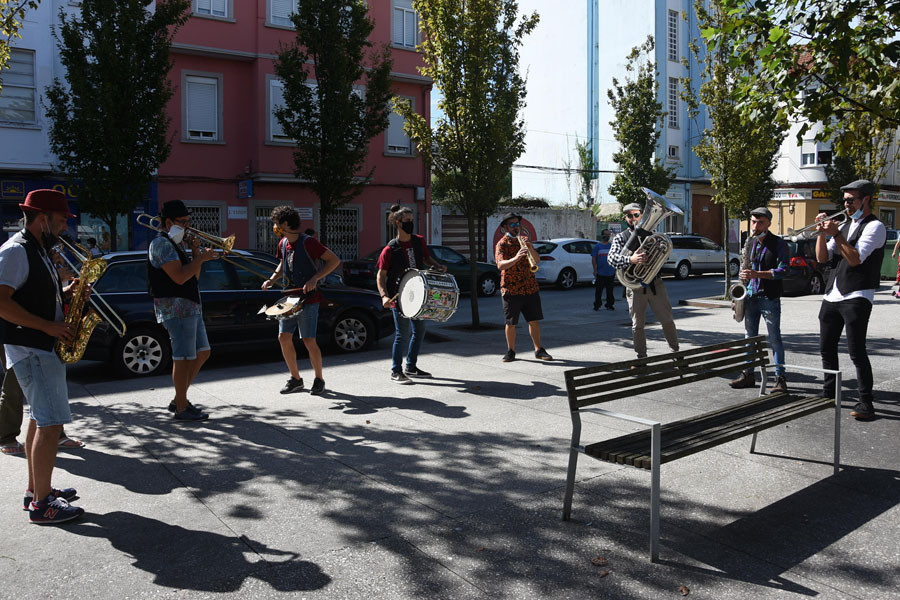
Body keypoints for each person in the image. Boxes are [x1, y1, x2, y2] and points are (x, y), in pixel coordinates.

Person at [0, 189, 83, 523]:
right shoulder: (16, 252)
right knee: (51, 425)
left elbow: (30, 295)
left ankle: (36, 492)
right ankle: (43, 504)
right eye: (61, 220)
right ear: (43, 218)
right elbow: (2, 302)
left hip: (38, 348)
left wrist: (68, 292)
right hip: (32, 348)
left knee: (38, 419)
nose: (65, 227)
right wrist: (48, 327)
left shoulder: (38, 251)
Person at [815, 179, 886, 420]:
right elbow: (823, 258)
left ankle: (866, 402)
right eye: (844, 200)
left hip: (857, 294)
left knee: (856, 351)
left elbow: (856, 259)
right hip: (833, 293)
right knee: (826, 347)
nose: (846, 204)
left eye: (851, 200)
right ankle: (828, 392)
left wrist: (836, 233)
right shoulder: (844, 225)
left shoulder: (875, 227)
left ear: (866, 199)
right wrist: (822, 234)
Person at [148, 200, 218, 421]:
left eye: (189, 221)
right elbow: (179, 277)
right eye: (183, 222)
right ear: (169, 222)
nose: (188, 226)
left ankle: (180, 398)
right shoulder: (162, 244)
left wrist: (197, 252)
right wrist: (201, 258)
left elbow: (193, 277)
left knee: (202, 352)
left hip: (190, 306)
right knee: (183, 358)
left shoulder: (176, 243)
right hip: (176, 309)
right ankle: (181, 407)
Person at [262, 206, 340, 395]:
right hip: (289, 298)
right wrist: (272, 279)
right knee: (283, 337)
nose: (275, 227)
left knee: (308, 340)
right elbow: (282, 263)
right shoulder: (283, 243)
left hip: (308, 299)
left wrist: (314, 279)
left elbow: (334, 260)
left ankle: (319, 379)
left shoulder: (309, 242)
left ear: (286, 224)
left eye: (277, 223)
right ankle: (296, 379)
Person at [375, 205, 447, 383]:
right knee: (402, 334)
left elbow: (425, 258)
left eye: (412, 220)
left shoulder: (418, 241)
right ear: (398, 223)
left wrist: (437, 266)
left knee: (420, 331)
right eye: (407, 221)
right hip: (399, 297)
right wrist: (384, 295)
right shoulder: (390, 249)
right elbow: (380, 275)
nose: (411, 224)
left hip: (418, 294)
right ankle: (396, 370)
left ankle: (411, 366)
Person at [728, 207, 790, 393]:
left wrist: (758, 274)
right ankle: (748, 374)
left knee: (775, 339)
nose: (755, 226)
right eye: (753, 222)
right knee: (749, 337)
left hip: (769, 297)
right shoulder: (751, 242)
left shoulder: (779, 244)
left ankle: (780, 378)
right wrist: (744, 281)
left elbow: (784, 270)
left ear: (769, 223)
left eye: (760, 222)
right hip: (751, 296)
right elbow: (747, 267)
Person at [607, 202, 679, 359]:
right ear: (625, 218)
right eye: (629, 216)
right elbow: (611, 259)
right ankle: (641, 357)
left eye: (636, 215)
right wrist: (631, 259)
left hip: (655, 285)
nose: (633, 218)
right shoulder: (621, 237)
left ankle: (676, 352)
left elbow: (665, 256)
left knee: (667, 320)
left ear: (642, 215)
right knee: (637, 325)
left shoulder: (654, 235)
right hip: (635, 287)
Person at [495, 212, 553, 362]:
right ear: (505, 227)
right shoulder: (502, 243)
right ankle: (510, 351)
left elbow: (537, 260)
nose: (516, 227)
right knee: (511, 322)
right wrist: (516, 257)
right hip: (511, 288)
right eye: (512, 225)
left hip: (529, 287)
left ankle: (539, 349)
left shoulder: (525, 240)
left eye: (517, 224)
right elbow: (500, 265)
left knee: (534, 320)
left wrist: (530, 248)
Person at [591, 229, 615, 311]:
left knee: (610, 291)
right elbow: (593, 258)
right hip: (600, 273)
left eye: (609, 235)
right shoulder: (597, 246)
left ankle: (609, 304)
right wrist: (595, 270)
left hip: (610, 273)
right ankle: (597, 305)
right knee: (598, 291)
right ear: (602, 236)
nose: (607, 237)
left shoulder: (612, 246)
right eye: (606, 235)